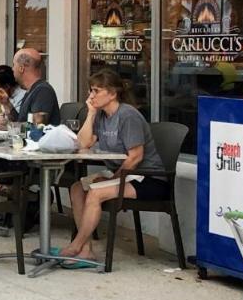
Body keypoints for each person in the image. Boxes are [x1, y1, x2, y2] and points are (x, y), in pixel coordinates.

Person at [60, 70, 168, 263]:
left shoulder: (128, 116)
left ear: (112, 93)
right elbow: (83, 143)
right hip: (122, 174)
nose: (91, 96)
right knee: (77, 189)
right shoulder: (101, 115)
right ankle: (86, 250)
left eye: (96, 91)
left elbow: (135, 157)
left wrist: (112, 180)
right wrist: (91, 114)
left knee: (95, 193)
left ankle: (77, 244)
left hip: (148, 178)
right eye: (90, 91)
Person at [10, 47, 61, 127]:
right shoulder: (32, 90)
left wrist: (9, 126)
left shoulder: (43, 91)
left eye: (14, 65)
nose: (12, 69)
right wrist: (6, 104)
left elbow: (37, 126)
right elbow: (21, 120)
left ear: (21, 68)